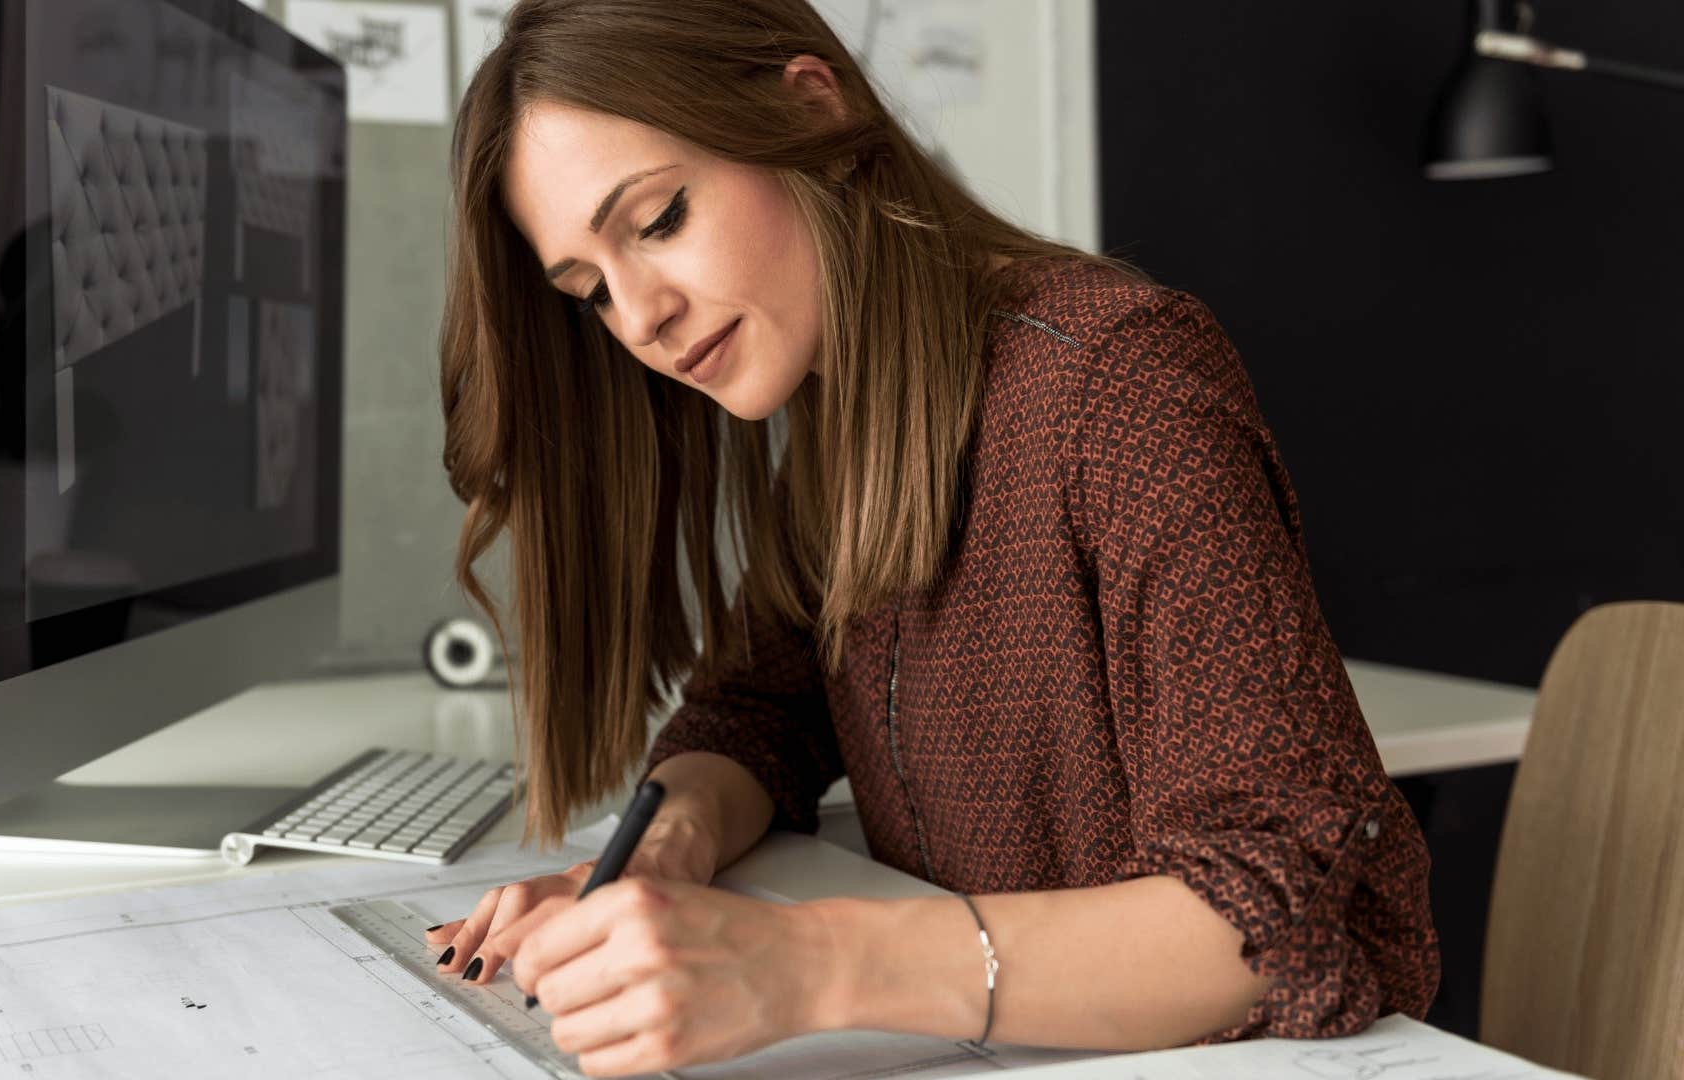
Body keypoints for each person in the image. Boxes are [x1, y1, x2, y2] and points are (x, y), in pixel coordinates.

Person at [430, 0, 1440, 1074]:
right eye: (588, 293)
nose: (640, 318)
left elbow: (1277, 904)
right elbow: (757, 711)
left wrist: (800, 965)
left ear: (813, 110)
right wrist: (660, 860)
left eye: (660, 219)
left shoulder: (1118, 382)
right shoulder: (840, 424)